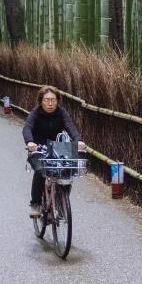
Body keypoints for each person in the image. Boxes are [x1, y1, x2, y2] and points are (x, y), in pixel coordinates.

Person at [23, 85, 86, 217]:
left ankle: (61, 203)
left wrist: (78, 141)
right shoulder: (36, 113)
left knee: (67, 171)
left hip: (58, 147)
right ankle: (36, 204)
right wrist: (30, 142)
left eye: (53, 100)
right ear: (41, 101)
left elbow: (70, 127)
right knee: (41, 171)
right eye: (46, 100)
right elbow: (27, 128)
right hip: (39, 148)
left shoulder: (61, 113)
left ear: (58, 101)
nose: (50, 103)